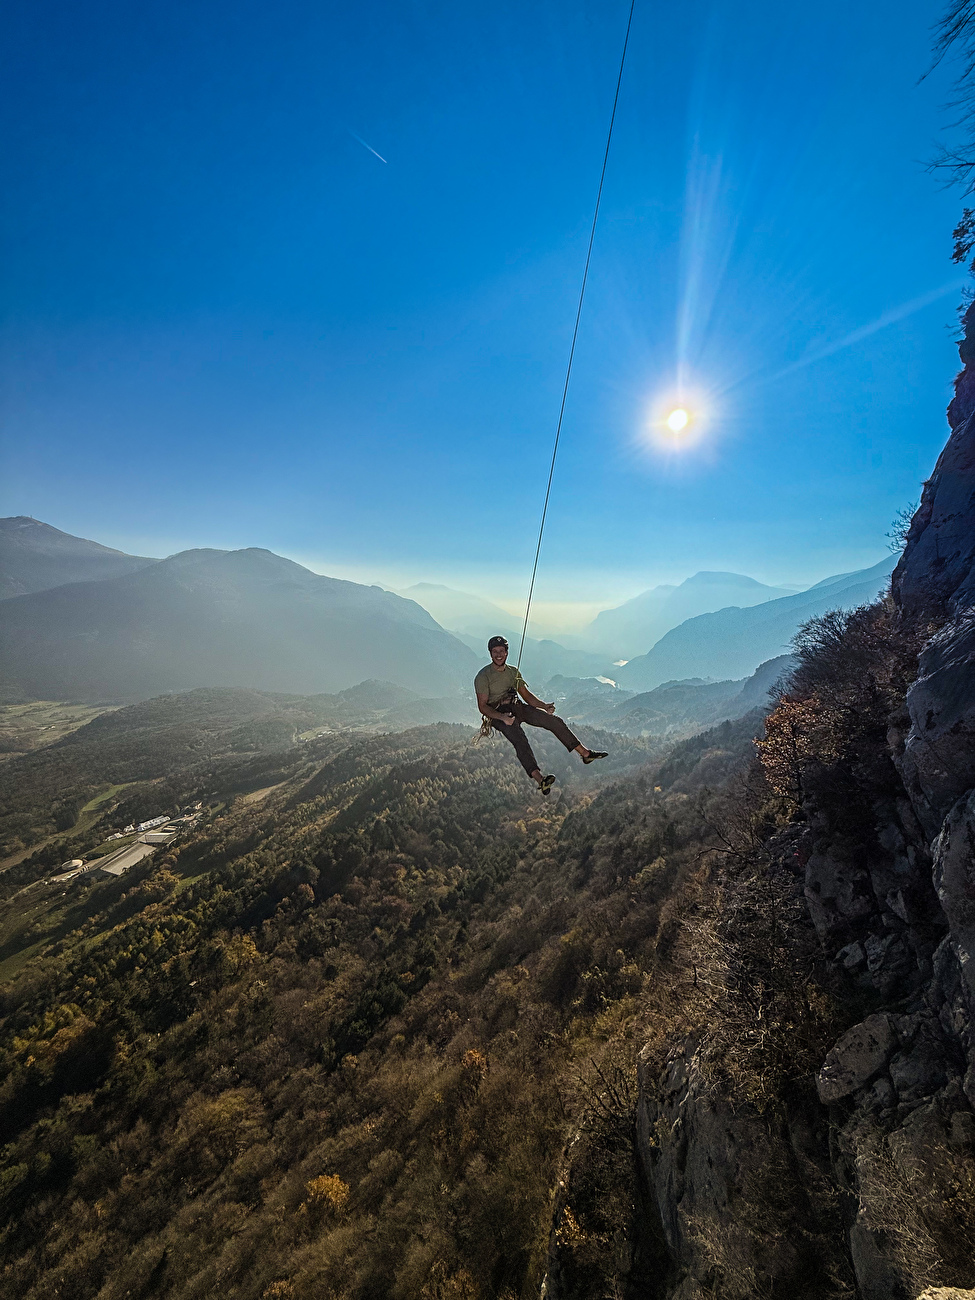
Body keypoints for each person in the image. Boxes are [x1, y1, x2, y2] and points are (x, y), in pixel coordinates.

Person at [474, 635, 608, 794]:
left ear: (507, 652)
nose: (498, 654)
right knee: (520, 740)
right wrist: (502, 718)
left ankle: (585, 753)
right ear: (490, 653)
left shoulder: (512, 672)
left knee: (553, 721)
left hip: (517, 706)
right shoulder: (483, 676)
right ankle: (540, 779)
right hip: (498, 713)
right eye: (495, 651)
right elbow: (483, 707)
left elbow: (527, 696)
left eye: (501, 651)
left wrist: (544, 706)